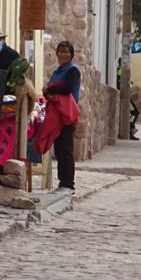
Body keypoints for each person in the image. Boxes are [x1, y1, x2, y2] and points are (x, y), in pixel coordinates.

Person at [45, 40, 82, 193]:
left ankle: (68, 183)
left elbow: (66, 89)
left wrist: (50, 89)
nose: (63, 54)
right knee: (59, 148)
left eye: (66, 51)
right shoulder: (58, 71)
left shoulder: (72, 70)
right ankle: (62, 182)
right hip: (56, 114)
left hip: (66, 114)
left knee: (66, 149)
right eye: (61, 51)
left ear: (71, 54)